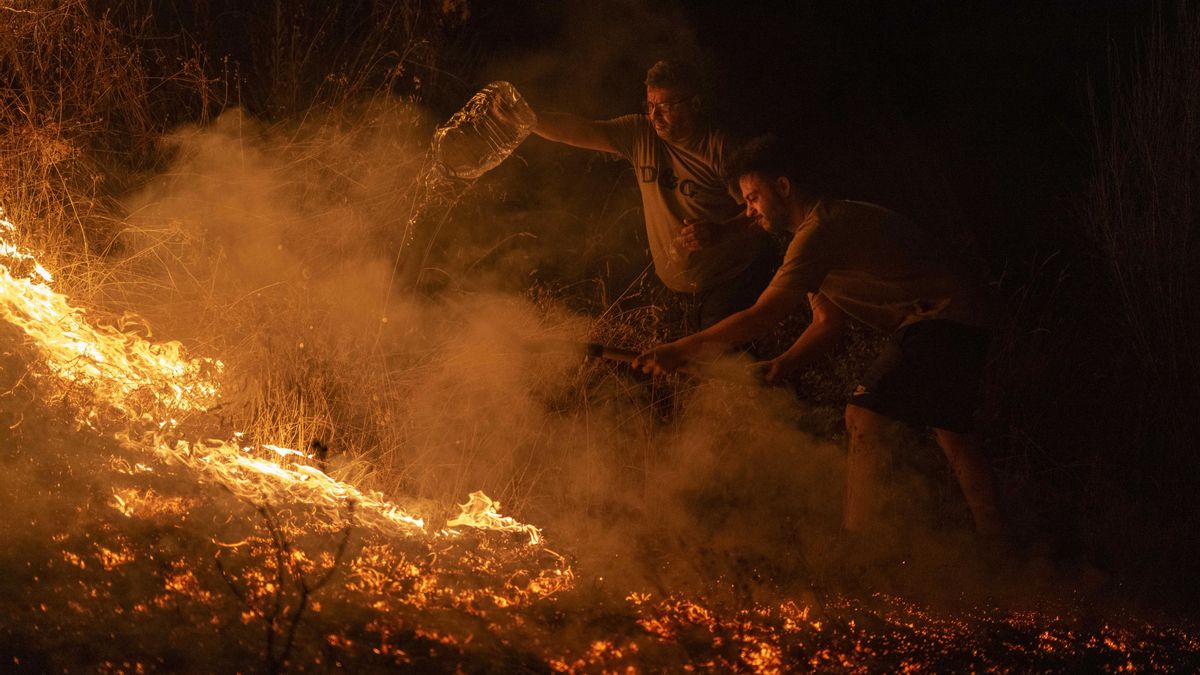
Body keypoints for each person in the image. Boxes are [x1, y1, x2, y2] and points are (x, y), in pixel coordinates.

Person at [635, 135, 1005, 538]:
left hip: (945, 313)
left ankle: (859, 547)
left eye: (754, 198)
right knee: (951, 430)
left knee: (863, 415)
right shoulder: (811, 238)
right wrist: (783, 364)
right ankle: (997, 543)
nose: (750, 211)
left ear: (783, 187)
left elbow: (764, 314)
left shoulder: (821, 230)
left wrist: (681, 349)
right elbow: (827, 322)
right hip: (954, 316)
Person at [527, 60, 778, 333]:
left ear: (695, 104)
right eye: (650, 106)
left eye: (666, 107)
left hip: (730, 280)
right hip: (675, 287)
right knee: (679, 367)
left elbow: (768, 211)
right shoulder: (640, 135)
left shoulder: (720, 149)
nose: (655, 116)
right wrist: (526, 118)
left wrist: (723, 232)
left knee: (722, 365)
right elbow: (578, 131)